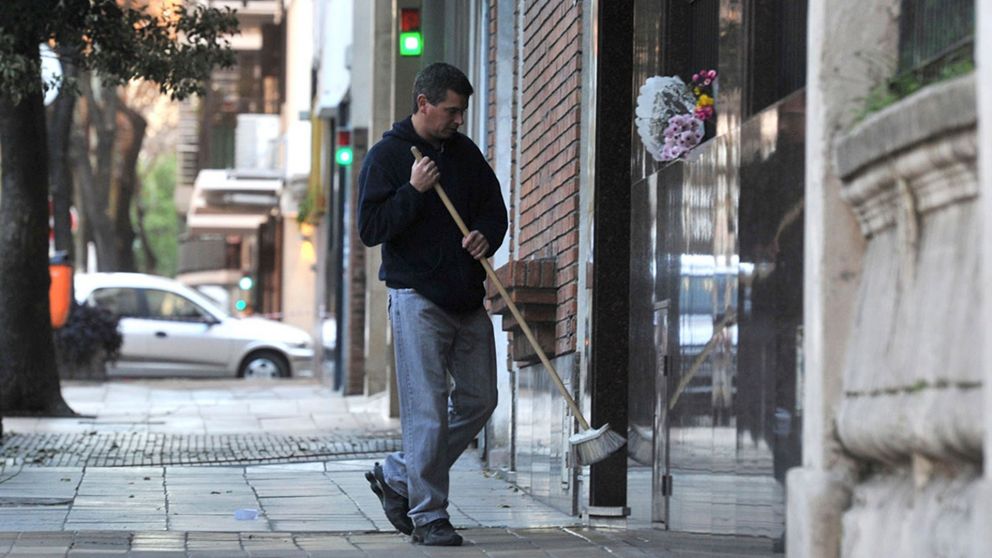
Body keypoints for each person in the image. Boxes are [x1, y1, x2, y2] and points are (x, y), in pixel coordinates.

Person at [357, 62, 508, 547]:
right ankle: (428, 516)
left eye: (461, 111)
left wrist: (489, 236)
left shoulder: (465, 154)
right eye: (451, 110)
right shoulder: (387, 156)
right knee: (426, 411)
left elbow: (493, 207)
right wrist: (413, 191)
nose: (458, 120)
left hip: (466, 297)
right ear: (423, 104)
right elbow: (372, 229)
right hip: (415, 297)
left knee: (481, 399)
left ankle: (399, 473)